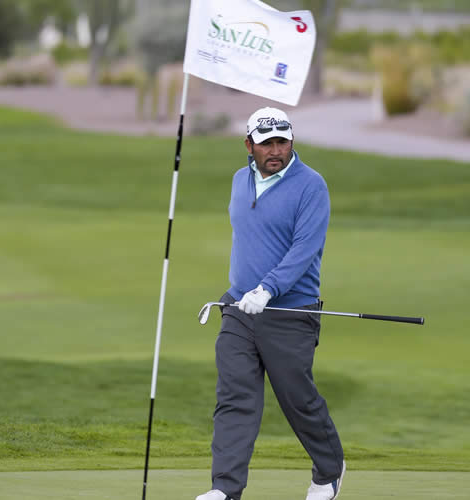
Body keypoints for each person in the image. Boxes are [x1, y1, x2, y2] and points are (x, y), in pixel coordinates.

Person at [196, 107, 345, 500]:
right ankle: (225, 489)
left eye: (282, 141)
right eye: (266, 143)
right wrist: (247, 292)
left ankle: (329, 470)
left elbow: (304, 249)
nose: (275, 150)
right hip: (238, 309)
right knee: (234, 398)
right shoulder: (239, 181)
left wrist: (267, 289)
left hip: (290, 312)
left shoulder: (311, 186)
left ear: (292, 141)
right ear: (249, 145)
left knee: (298, 400)